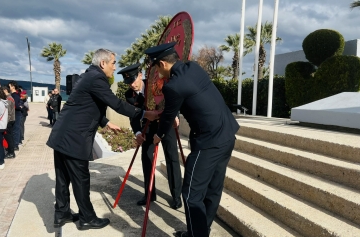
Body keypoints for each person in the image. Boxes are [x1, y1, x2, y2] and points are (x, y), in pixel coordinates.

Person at [46, 48, 159, 231]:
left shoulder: (87, 76)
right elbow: (116, 103)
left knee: (63, 177)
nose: (115, 68)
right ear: (103, 63)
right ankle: (87, 218)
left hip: (62, 135)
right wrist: (145, 113)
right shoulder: (97, 78)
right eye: (113, 63)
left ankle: (62, 213)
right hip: (74, 138)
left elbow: (86, 105)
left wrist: (106, 122)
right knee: (81, 179)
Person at [145, 42, 240, 237]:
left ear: (162, 63)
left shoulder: (173, 86)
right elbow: (191, 99)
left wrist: (158, 135)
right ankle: (200, 231)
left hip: (209, 143)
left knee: (190, 194)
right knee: (213, 189)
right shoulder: (193, 68)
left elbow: (169, 117)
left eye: (155, 66)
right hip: (227, 135)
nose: (156, 71)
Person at [117, 63, 182, 209]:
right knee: (147, 158)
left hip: (166, 124)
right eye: (128, 82)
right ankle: (149, 194)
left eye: (133, 80)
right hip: (148, 126)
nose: (132, 85)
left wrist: (175, 115)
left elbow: (172, 98)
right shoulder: (129, 95)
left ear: (140, 75)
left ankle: (177, 196)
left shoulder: (155, 83)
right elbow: (133, 116)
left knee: (172, 158)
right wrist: (138, 133)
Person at [2, 85, 16, 159]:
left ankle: (11, 152)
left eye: (2, 91)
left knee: (9, 137)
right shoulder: (8, 98)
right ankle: (10, 150)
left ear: (5, 90)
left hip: (9, 121)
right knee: (9, 136)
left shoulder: (9, 99)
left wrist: (6, 122)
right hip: (10, 120)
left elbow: (9, 112)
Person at [9, 81, 22, 151]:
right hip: (14, 114)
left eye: (9, 86)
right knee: (13, 130)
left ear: (13, 87)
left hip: (16, 114)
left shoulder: (15, 95)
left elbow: (16, 105)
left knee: (15, 130)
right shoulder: (13, 95)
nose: (9, 87)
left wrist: (20, 108)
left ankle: (16, 145)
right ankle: (14, 143)